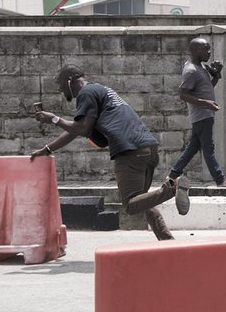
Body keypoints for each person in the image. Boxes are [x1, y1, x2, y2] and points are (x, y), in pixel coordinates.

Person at [29, 64, 189, 241]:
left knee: (130, 205)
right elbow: (75, 130)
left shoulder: (86, 93)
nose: (59, 89)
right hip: (148, 149)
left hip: (129, 151)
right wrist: (47, 149)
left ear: (69, 80)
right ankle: (167, 241)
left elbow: (82, 128)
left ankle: (172, 189)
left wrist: (53, 118)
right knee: (143, 201)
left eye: (60, 84)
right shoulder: (100, 90)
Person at [166, 37, 226, 187]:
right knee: (208, 148)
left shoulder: (202, 68)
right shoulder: (191, 71)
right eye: (206, 49)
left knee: (193, 148)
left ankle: (172, 175)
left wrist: (217, 74)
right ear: (195, 51)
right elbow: (183, 94)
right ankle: (220, 180)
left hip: (206, 113)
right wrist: (206, 103)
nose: (209, 52)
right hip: (202, 115)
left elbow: (208, 87)